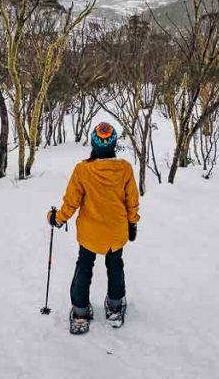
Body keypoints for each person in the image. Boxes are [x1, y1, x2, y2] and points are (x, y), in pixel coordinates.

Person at [47, 122, 140, 335]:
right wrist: (132, 223)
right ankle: (115, 307)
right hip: (116, 232)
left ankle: (80, 311)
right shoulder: (124, 169)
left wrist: (57, 219)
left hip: (89, 233)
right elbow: (132, 201)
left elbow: (71, 202)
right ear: (114, 144)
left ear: (93, 144)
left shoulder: (82, 170)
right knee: (115, 266)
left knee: (84, 267)